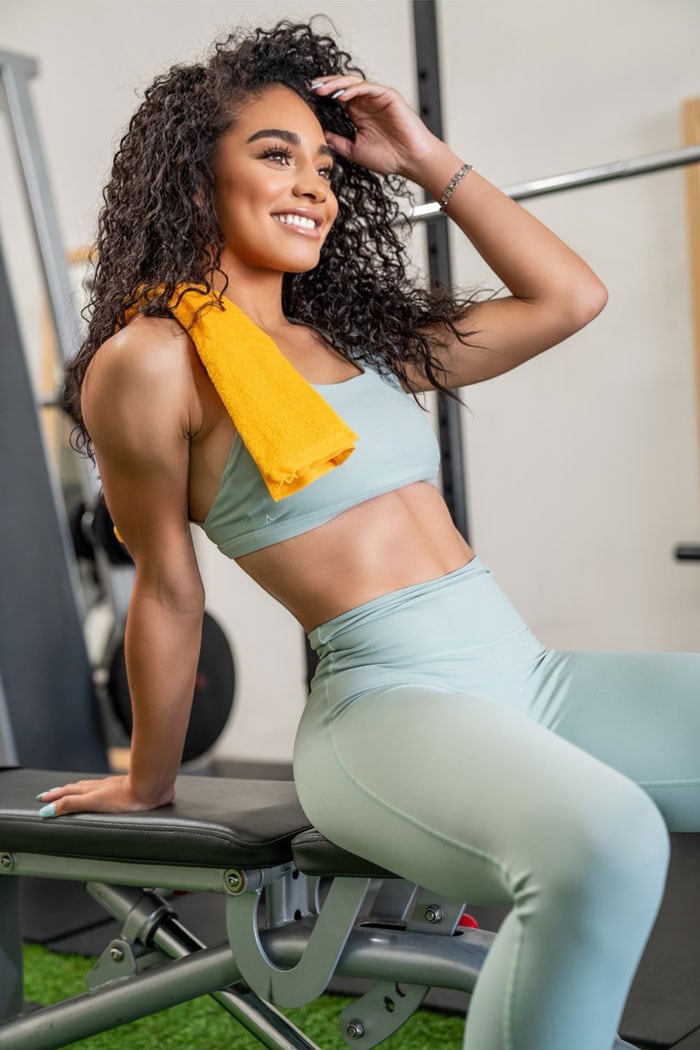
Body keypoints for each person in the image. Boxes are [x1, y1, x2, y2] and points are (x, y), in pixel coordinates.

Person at [43, 19, 697, 1050]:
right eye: (273, 154)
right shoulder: (151, 361)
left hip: (526, 677)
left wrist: (427, 158)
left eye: (322, 161)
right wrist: (148, 781)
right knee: (606, 846)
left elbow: (570, 298)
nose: (314, 184)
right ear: (191, 172)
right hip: (386, 711)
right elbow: (169, 588)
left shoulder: (361, 342)